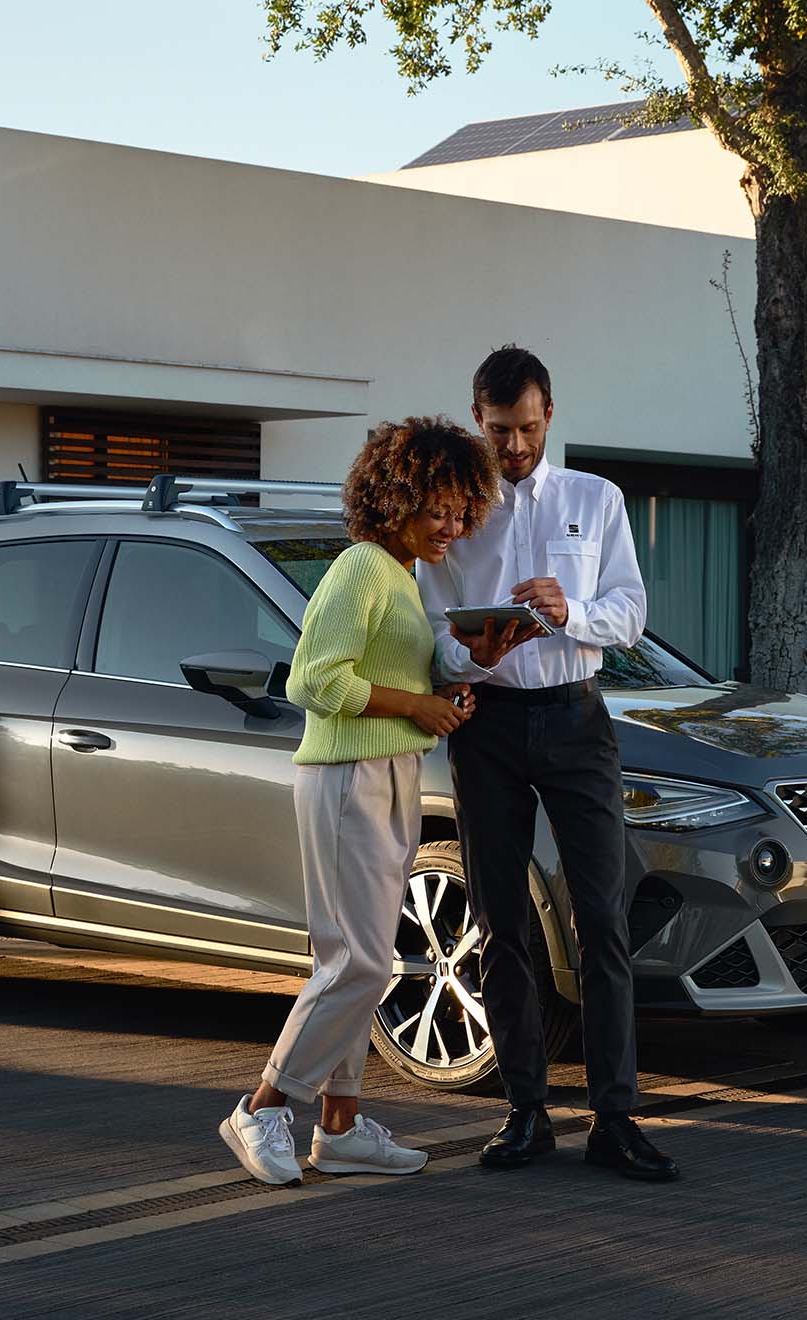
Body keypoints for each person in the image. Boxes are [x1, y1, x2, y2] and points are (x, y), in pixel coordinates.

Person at [219, 416, 531, 1186]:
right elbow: (313, 682)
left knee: (361, 960)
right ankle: (263, 1106)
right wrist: (416, 708)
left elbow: (395, 683)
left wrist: (465, 676)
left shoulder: (403, 575)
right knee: (357, 960)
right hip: (345, 779)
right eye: (439, 511)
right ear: (394, 500)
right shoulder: (362, 565)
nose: (453, 529)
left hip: (390, 773)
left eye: (463, 513)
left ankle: (342, 1126)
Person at [420, 344, 679, 1181]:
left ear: (550, 415)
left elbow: (632, 613)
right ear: (477, 420)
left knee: (602, 919)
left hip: (577, 721)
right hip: (487, 728)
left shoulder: (594, 499)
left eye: (528, 428)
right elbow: (430, 632)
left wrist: (572, 612)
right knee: (501, 923)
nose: (516, 445)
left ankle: (616, 1116)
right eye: (500, 429)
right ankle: (525, 1113)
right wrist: (473, 655)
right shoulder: (453, 513)